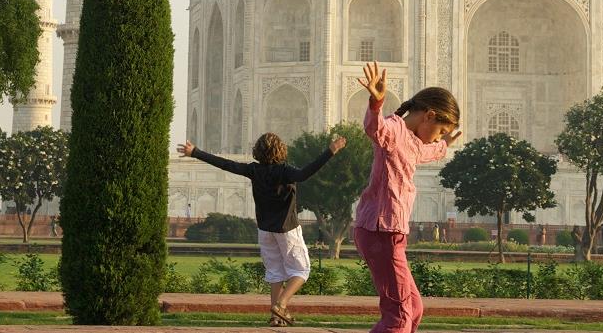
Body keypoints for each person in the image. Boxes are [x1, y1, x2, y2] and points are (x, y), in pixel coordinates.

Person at [178, 132, 345, 327]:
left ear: (258, 151)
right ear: (281, 150)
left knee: (275, 272)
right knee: (301, 270)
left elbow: (226, 164)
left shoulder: (254, 171)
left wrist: (195, 152)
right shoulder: (285, 171)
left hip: (265, 230)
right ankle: (281, 305)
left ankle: (275, 317)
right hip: (287, 229)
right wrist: (331, 151)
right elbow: (305, 173)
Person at [353, 62, 462, 333]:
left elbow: (428, 152)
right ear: (429, 115)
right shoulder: (393, 129)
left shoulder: (413, 142)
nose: (436, 138)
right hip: (380, 231)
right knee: (399, 317)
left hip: (391, 233)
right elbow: (374, 129)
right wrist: (376, 103)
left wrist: (444, 144)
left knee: (413, 309)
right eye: (440, 130)